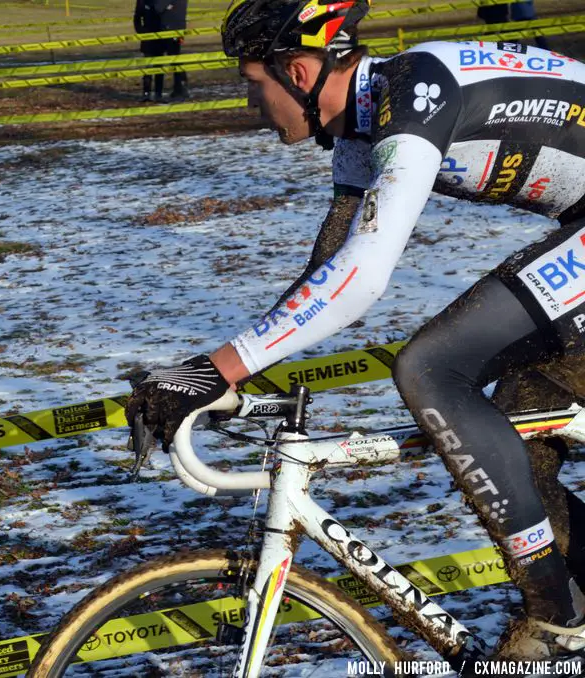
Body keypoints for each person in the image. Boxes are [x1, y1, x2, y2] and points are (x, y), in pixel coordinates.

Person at [125, 0, 585, 662]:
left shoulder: (412, 97)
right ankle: (567, 599)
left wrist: (217, 368)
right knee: (515, 413)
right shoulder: (360, 130)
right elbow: (327, 268)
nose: (252, 105)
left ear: (301, 71)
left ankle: (557, 614)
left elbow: (364, 276)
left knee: (432, 369)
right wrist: (225, 369)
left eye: (252, 83)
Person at [133, 0, 190, 101]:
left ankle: (177, 89)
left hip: (168, 31)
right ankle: (149, 92)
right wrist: (143, 33)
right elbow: (138, 17)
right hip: (154, 33)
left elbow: (159, 8)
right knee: (153, 64)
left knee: (170, 62)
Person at [478, 0, 552, 51]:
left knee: (511, 31)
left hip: (514, 11)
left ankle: (508, 46)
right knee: (509, 31)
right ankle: (545, 48)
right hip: (517, 11)